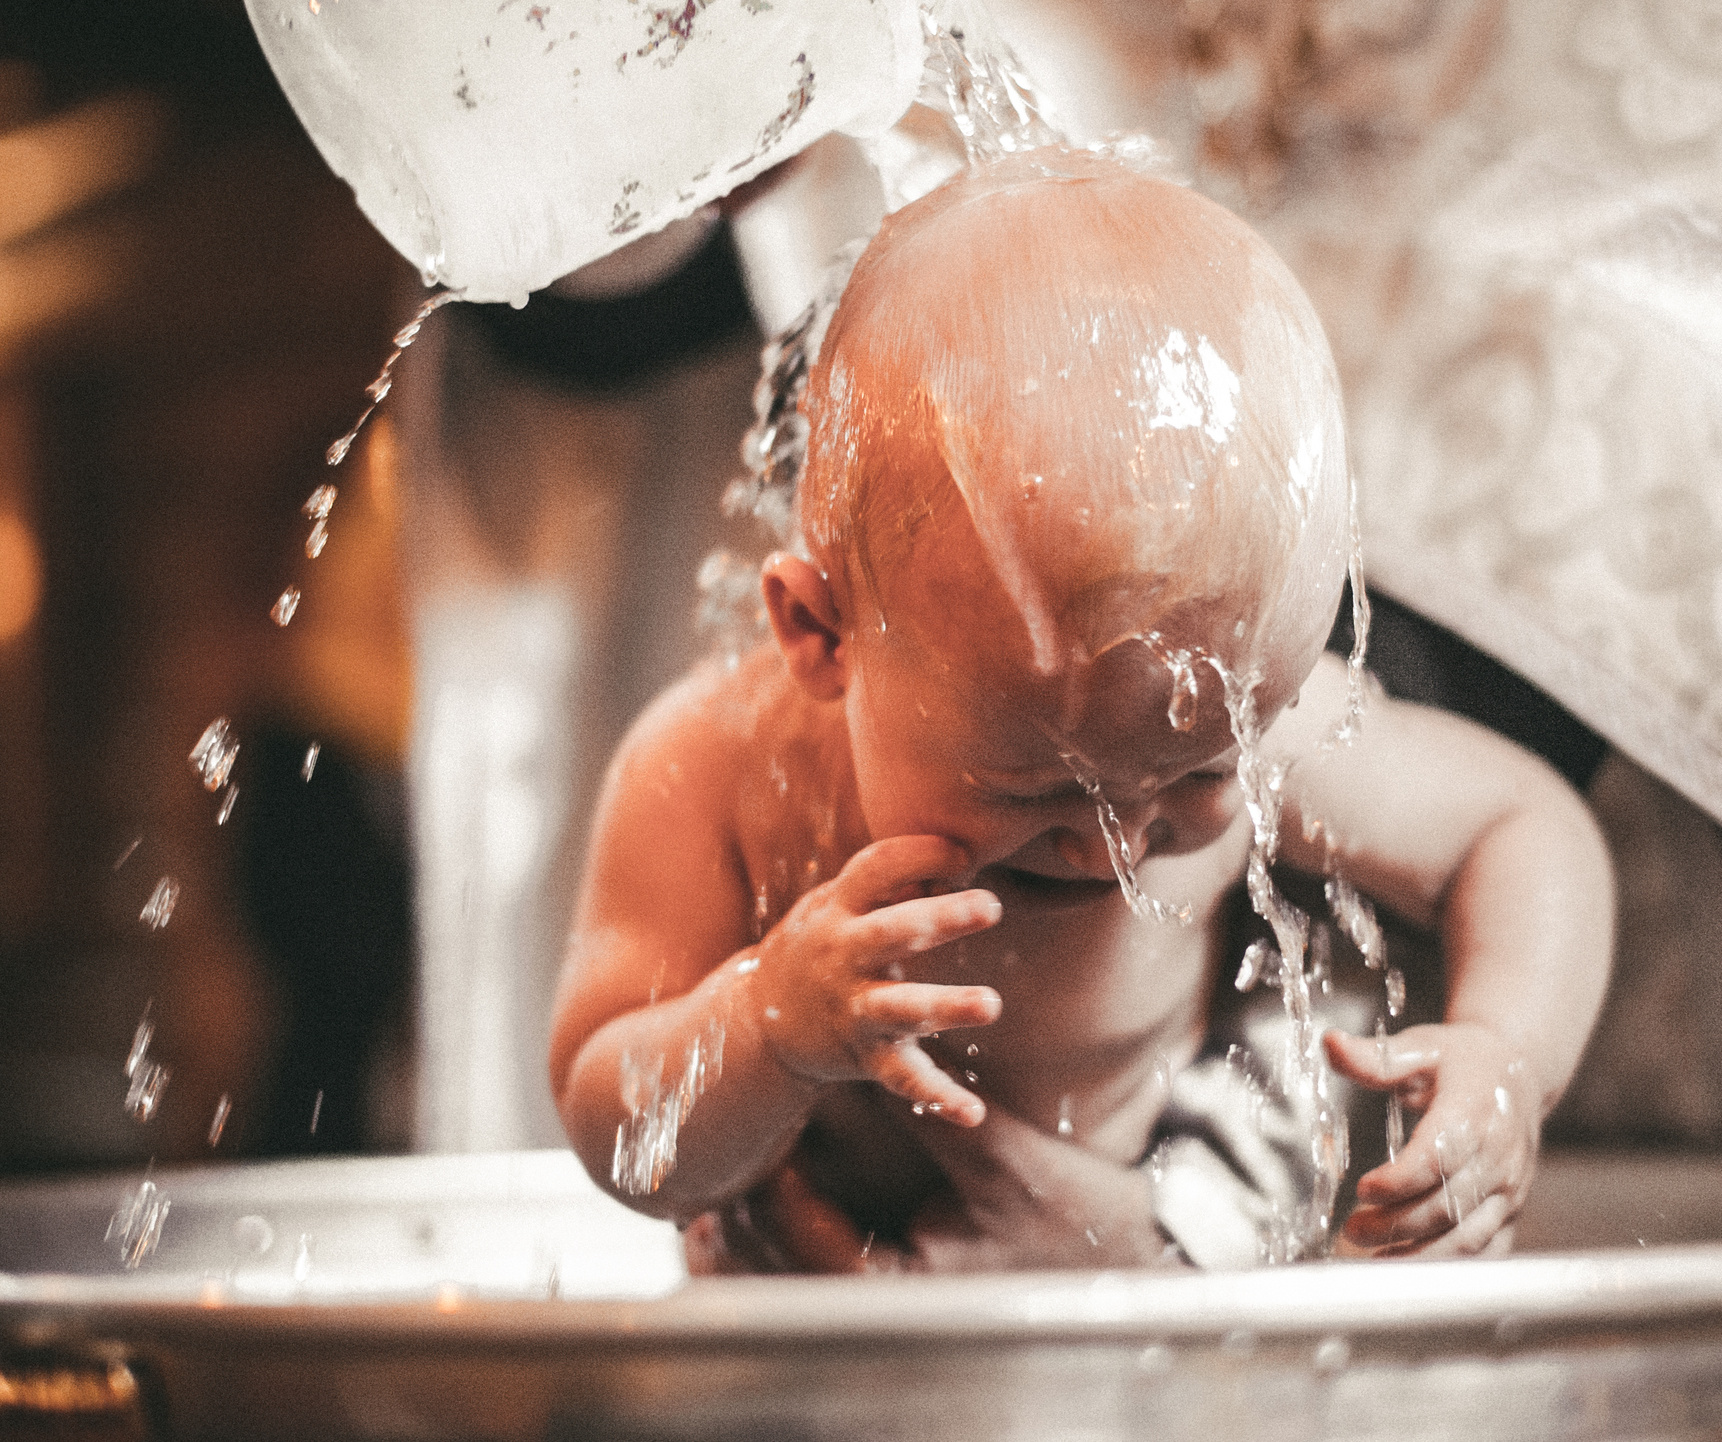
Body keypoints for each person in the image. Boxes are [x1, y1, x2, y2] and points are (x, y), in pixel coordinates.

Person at [548, 148, 1612, 1270]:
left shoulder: (1223, 720)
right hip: (808, 1323)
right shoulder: (712, 772)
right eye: (1037, 786)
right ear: (821, 634)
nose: (1119, 833)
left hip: (1130, 1293)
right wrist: (763, 1028)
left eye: (1201, 776)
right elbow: (610, 1122)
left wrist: (1506, 1054)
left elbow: (1522, 827)